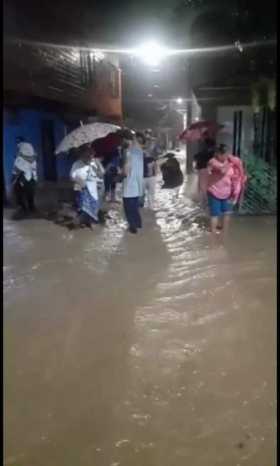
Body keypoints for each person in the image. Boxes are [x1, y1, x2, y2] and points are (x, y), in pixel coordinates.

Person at [207, 144, 247, 236]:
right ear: (217, 154)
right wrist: (231, 163)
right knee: (215, 214)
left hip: (227, 193)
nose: (226, 156)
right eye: (224, 154)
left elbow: (238, 170)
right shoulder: (212, 162)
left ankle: (225, 233)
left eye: (227, 154)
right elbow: (222, 171)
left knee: (227, 212)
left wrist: (241, 176)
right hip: (214, 192)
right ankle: (213, 235)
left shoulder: (230, 161)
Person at [70, 145, 102, 230]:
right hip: (80, 187)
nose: (89, 157)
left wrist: (98, 166)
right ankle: (81, 221)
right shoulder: (76, 164)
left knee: (93, 205)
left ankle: (90, 222)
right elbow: (72, 176)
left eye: (91, 155)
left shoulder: (94, 163)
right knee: (82, 206)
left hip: (92, 188)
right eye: (87, 155)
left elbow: (100, 174)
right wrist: (80, 181)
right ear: (82, 155)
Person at [122, 131, 145, 234]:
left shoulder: (128, 152)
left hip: (128, 186)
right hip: (137, 185)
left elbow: (126, 170)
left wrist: (121, 171)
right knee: (134, 207)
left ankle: (133, 227)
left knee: (128, 208)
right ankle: (138, 223)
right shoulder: (139, 152)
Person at [12, 142, 38, 217]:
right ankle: (29, 208)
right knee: (28, 195)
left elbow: (16, 170)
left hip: (25, 179)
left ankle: (25, 209)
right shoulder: (33, 158)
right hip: (29, 179)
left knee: (22, 194)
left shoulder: (21, 158)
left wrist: (13, 178)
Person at [193, 137, 216, 205]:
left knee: (202, 186)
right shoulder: (212, 152)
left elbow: (196, 157)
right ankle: (206, 200)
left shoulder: (204, 152)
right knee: (206, 186)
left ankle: (204, 201)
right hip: (208, 170)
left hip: (203, 170)